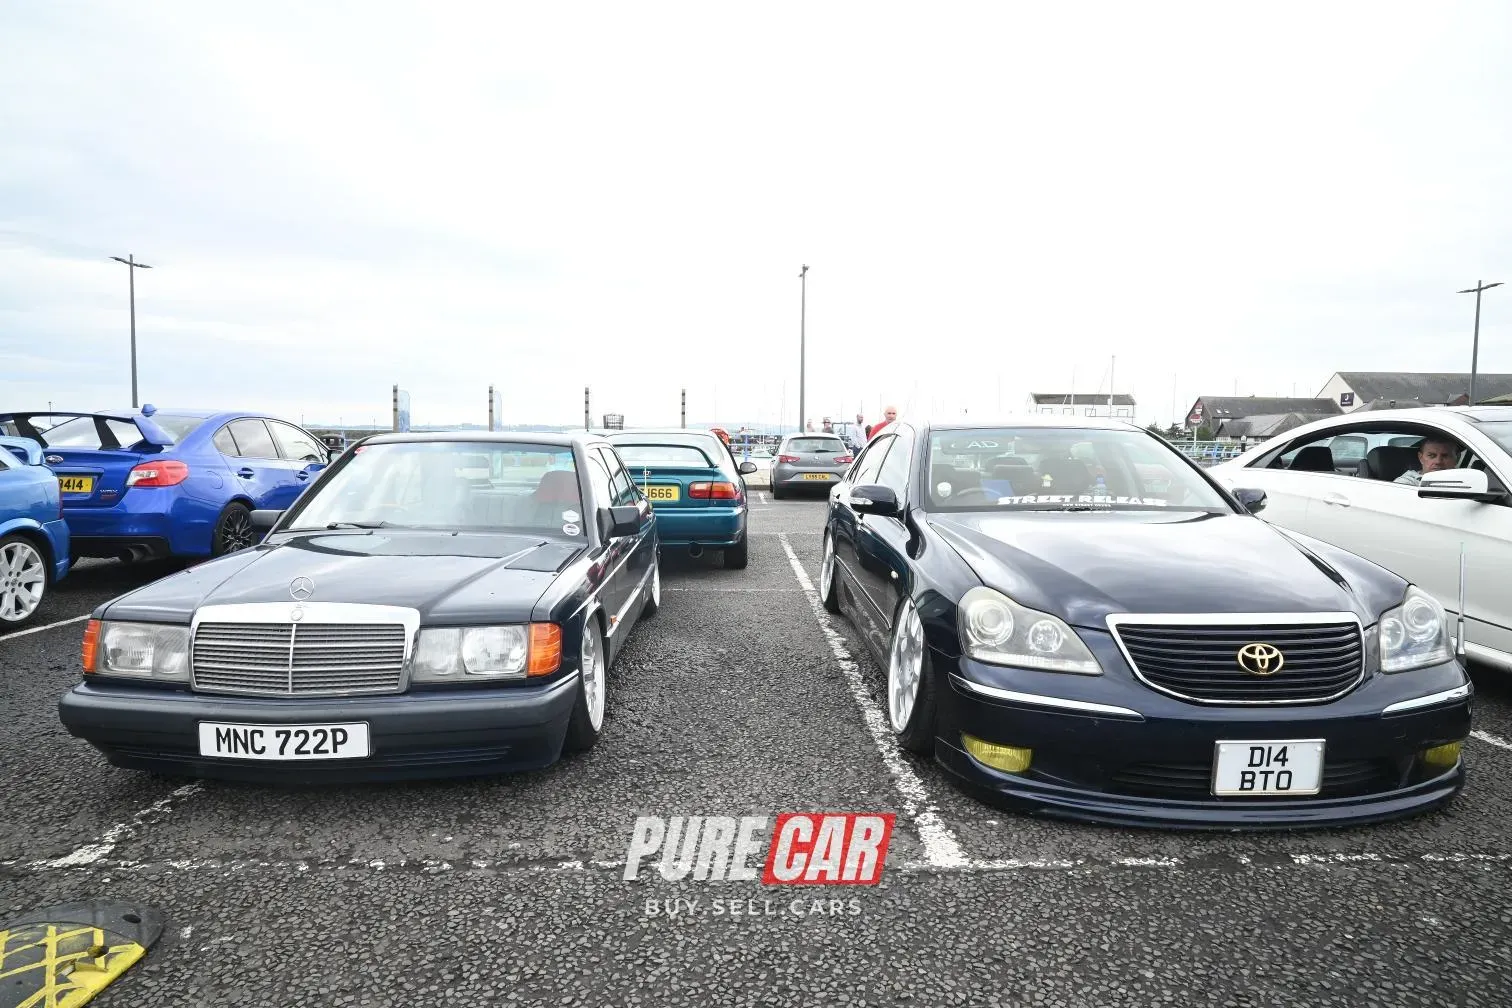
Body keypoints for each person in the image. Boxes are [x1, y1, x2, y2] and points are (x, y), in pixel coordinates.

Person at [1394, 435, 1460, 486]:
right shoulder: (1406, 484)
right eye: (1432, 456)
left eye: (1445, 456)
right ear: (1421, 458)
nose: (1438, 461)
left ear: (1457, 458)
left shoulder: (1465, 480)